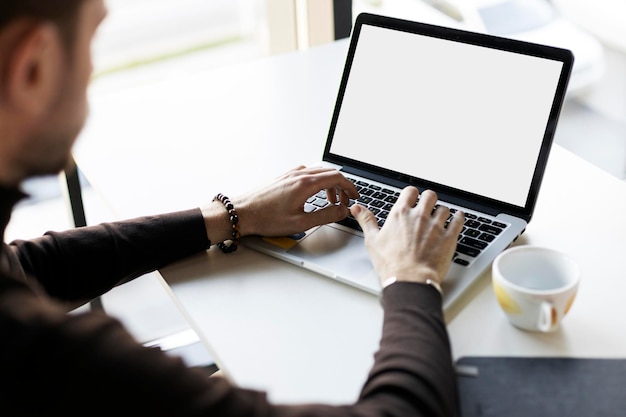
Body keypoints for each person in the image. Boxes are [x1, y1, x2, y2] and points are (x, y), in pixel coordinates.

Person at [0, 0, 465, 415]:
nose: (91, 68)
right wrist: (410, 277)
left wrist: (230, 215)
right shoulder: (53, 362)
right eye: (92, 37)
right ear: (32, 68)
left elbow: (29, 265)